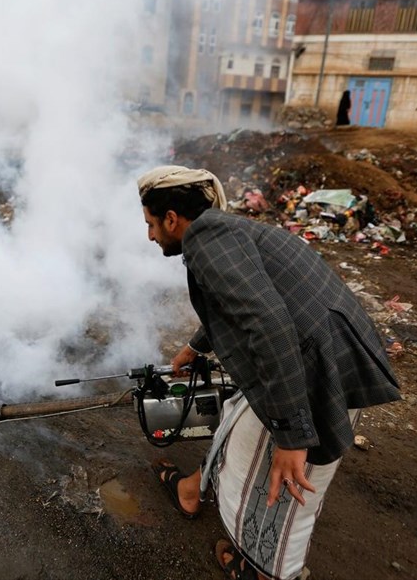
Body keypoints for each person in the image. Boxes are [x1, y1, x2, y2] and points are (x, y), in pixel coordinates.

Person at [137, 166, 401, 580]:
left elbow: (268, 322)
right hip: (320, 351)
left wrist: (293, 435)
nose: (151, 236)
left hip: (319, 366)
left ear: (172, 219)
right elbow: (239, 301)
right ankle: (192, 490)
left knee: (287, 475)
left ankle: (268, 572)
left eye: (151, 225)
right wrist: (195, 346)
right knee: (238, 419)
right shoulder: (221, 230)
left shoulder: (205, 242)